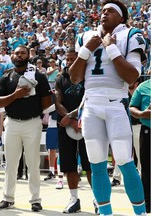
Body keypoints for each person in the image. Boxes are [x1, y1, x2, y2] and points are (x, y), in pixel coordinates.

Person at [69, 1, 147, 215]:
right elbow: (74, 78)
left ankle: (140, 213)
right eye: (102, 11)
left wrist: (111, 47)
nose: (104, 14)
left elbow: (132, 76)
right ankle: (105, 213)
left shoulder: (131, 34)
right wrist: (86, 50)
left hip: (116, 102)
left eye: (110, 11)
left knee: (124, 160)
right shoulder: (86, 37)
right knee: (96, 162)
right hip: (91, 105)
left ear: (121, 17)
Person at [0, 45, 52, 212]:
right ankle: (8, 198)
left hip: (32, 122)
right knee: (11, 163)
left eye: (22, 53)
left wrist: (33, 107)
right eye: (16, 53)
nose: (19, 55)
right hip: (11, 122)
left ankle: (35, 199)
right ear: (12, 56)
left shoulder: (39, 76)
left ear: (28, 55)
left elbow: (47, 101)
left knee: (33, 163)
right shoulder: (6, 77)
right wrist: (16, 95)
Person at [55, 48, 96, 214]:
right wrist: (70, 119)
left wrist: (78, 118)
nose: (70, 62)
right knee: (69, 165)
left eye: (74, 59)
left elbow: (91, 98)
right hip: (67, 125)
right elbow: (57, 101)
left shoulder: (89, 76)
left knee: (91, 165)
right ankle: (74, 199)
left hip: (89, 123)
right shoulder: (60, 78)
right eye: (68, 59)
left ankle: (98, 199)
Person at [130, 78, 151, 213]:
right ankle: (148, 203)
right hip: (147, 131)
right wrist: (142, 114)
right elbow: (132, 107)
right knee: (147, 168)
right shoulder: (143, 87)